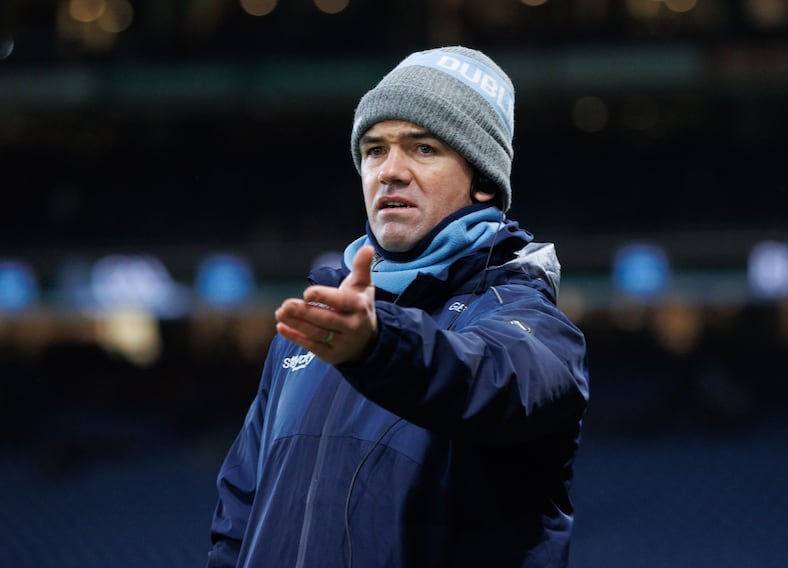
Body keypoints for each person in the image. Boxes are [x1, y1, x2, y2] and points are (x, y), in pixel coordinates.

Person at [206, 45, 590, 568]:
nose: (390, 171)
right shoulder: (316, 326)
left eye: (423, 148)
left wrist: (378, 345)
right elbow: (238, 522)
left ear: (482, 182)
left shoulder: (533, 325)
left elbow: (490, 379)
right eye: (374, 150)